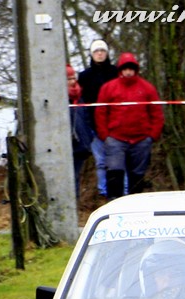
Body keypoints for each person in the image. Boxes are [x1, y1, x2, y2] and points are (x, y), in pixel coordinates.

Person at [94, 52, 164, 198]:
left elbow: (156, 113)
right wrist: (105, 135)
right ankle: (113, 204)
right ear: (120, 70)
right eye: (125, 68)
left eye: (131, 68)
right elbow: (100, 112)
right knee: (114, 172)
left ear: (136, 69)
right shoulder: (108, 88)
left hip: (141, 139)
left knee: (137, 175)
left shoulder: (147, 88)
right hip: (115, 139)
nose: (128, 72)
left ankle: (135, 204)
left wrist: (152, 136)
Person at [78, 39, 119, 197]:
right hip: (93, 125)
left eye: (102, 51)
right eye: (96, 51)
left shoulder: (116, 73)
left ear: (107, 53)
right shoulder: (84, 76)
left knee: (119, 162)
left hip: (116, 125)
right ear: (92, 54)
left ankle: (122, 191)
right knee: (101, 162)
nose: (100, 54)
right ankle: (104, 191)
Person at [68, 65, 95, 201]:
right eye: (69, 79)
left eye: (73, 78)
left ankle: (74, 204)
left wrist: (89, 137)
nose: (72, 81)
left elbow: (87, 118)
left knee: (75, 176)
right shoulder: (58, 99)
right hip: (66, 144)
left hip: (80, 143)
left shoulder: (80, 96)